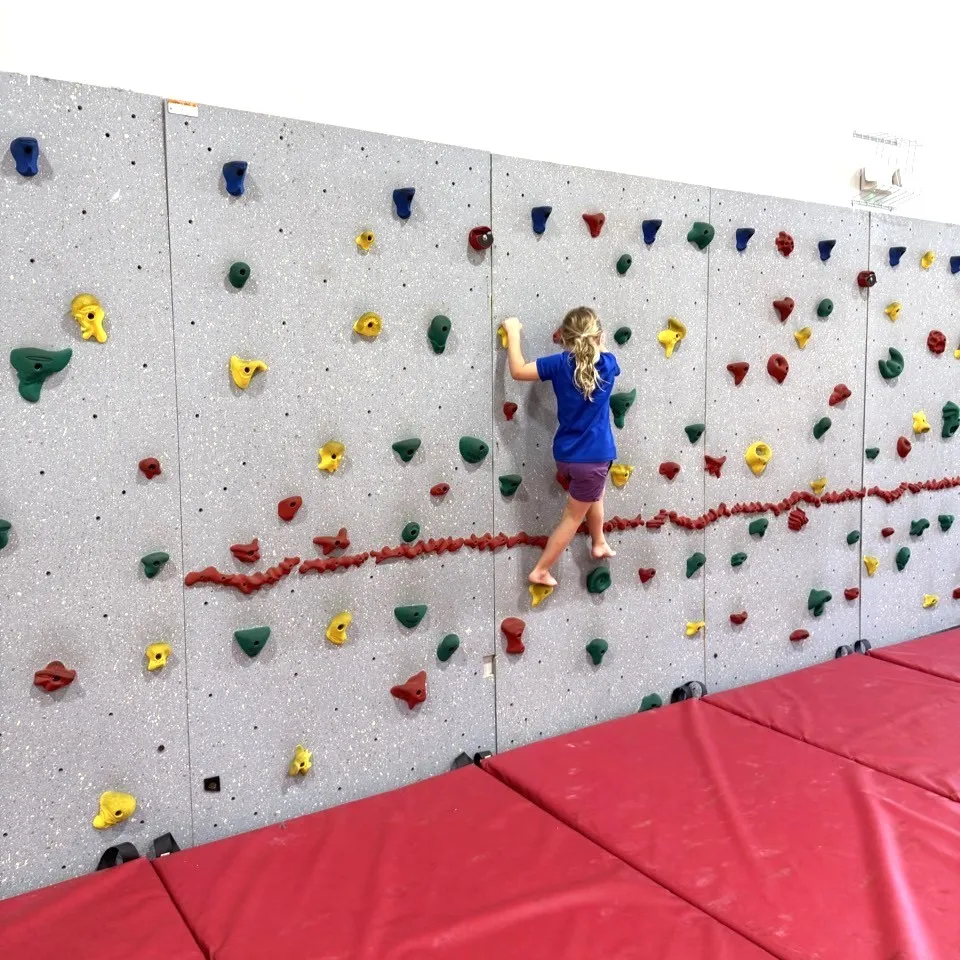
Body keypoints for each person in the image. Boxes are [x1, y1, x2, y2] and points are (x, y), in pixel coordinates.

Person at [500, 307, 620, 587]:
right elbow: (597, 355)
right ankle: (541, 569)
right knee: (572, 517)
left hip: (567, 454)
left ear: (565, 338)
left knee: (594, 495)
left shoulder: (559, 364)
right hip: (594, 456)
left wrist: (513, 332)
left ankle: (599, 541)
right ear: (600, 336)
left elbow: (518, 370)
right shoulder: (610, 364)